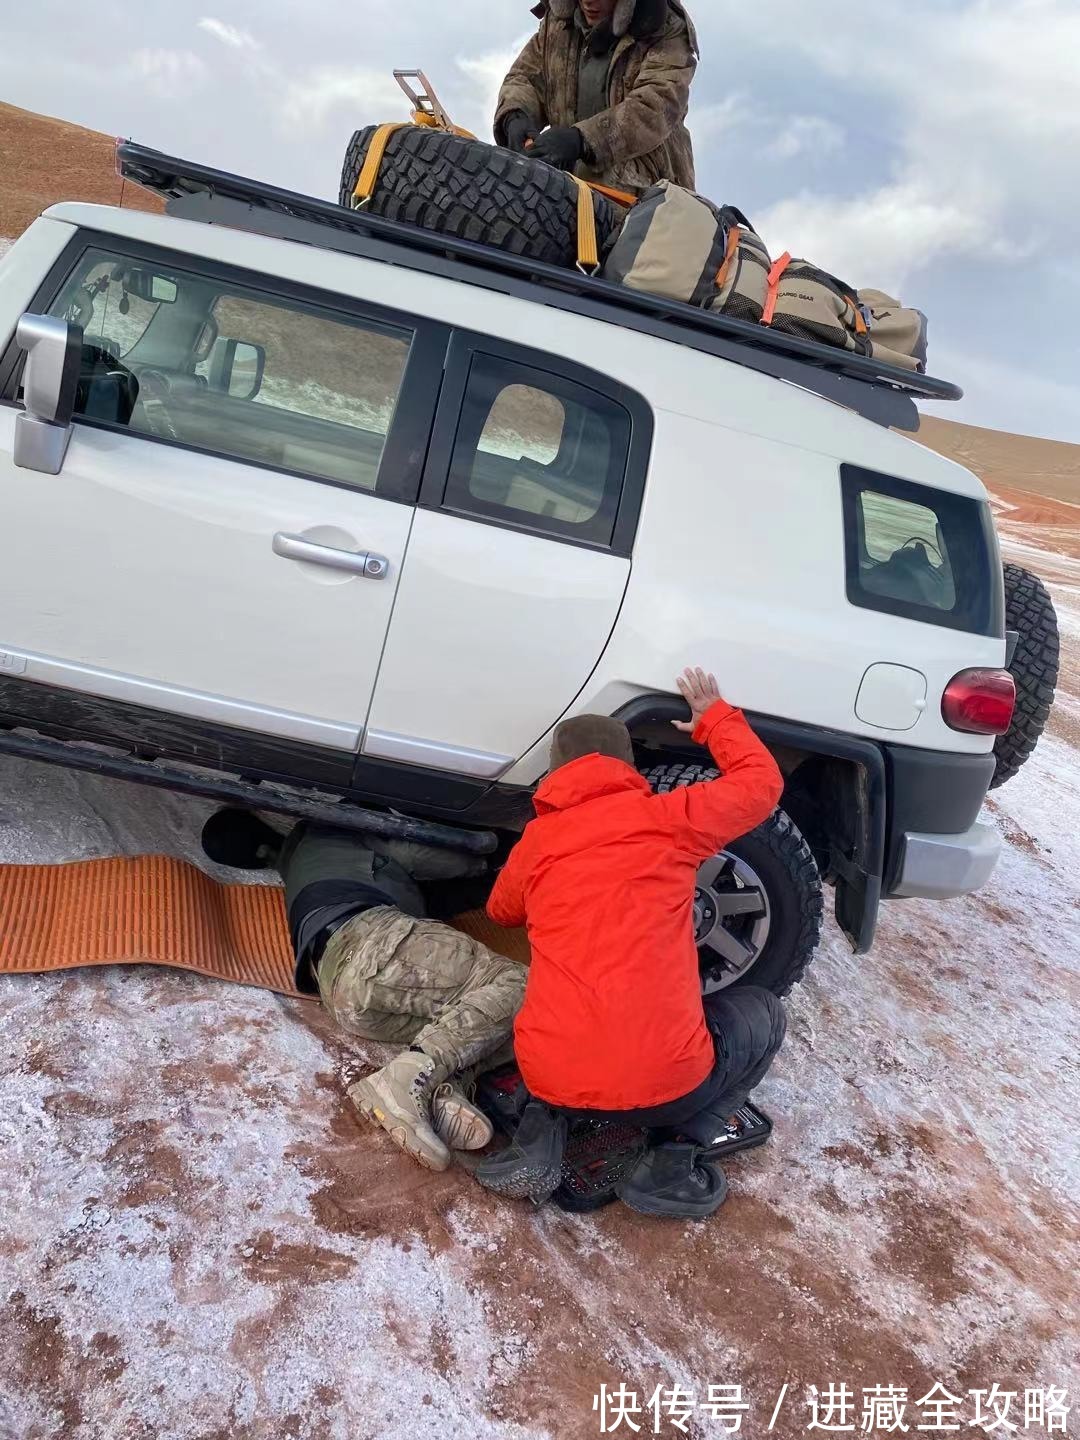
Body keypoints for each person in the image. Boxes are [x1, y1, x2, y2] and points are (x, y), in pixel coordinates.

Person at [474, 668, 787, 1219]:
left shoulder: (539, 841)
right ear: (627, 766)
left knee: (558, 1015)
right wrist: (714, 716)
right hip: (672, 1087)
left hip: (553, 1078)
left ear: (556, 771)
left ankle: (537, 1138)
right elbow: (762, 784)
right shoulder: (670, 820)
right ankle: (669, 1163)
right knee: (764, 1012)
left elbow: (501, 910)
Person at [202, 812, 526, 1173]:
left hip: (343, 994)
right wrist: (495, 855)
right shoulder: (330, 827)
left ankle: (442, 1087)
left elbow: (425, 896)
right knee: (519, 985)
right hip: (373, 945)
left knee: (494, 1019)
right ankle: (406, 1078)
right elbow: (430, 854)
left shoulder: (301, 871)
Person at [495, 0, 699, 194]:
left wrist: (582, 140)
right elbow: (525, 77)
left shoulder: (667, 31)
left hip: (650, 201)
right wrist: (514, 117)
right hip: (567, 189)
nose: (588, 2)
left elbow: (654, 107)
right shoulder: (558, 22)